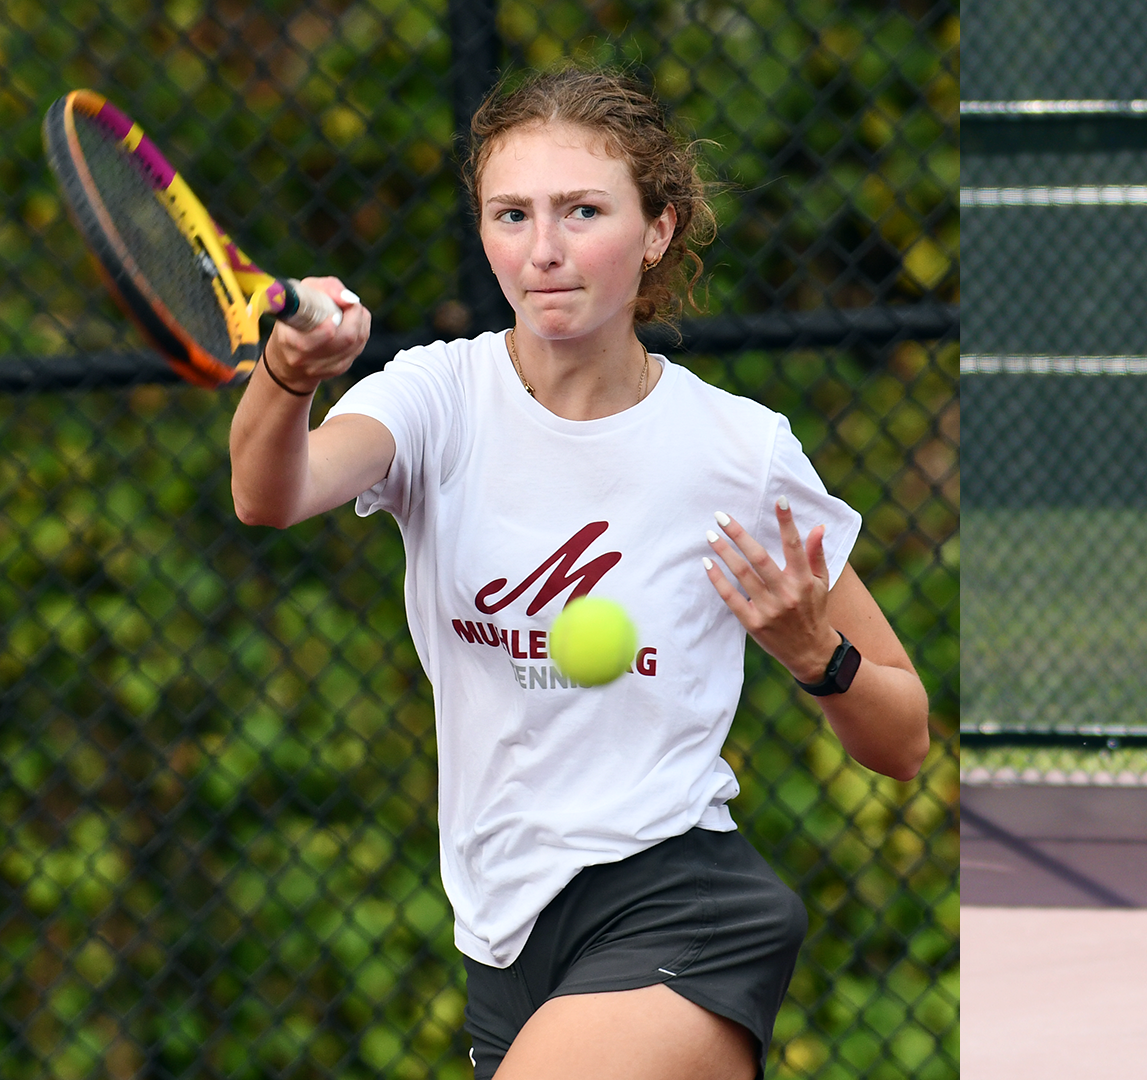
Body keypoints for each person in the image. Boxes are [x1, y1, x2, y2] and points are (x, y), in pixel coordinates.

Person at [227, 67, 929, 1080]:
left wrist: (816, 652)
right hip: (503, 930)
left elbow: (903, 737)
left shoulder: (737, 451)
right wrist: (288, 375)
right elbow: (272, 493)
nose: (543, 250)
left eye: (581, 211)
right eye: (511, 214)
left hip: (681, 904)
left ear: (657, 229)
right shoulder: (436, 397)